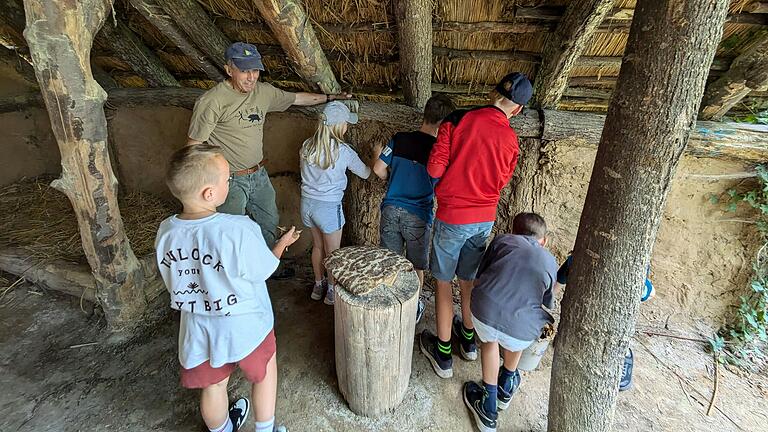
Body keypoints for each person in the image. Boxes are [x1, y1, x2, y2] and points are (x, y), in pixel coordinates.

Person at [155, 144, 300, 432]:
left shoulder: (166, 231)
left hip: (200, 326)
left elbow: (174, 278)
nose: (229, 182)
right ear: (209, 193)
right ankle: (265, 428)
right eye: (227, 179)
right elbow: (264, 270)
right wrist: (281, 246)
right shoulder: (238, 228)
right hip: (246, 324)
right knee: (264, 372)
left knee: (213, 385)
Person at [187, 41, 351, 280]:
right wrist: (200, 187)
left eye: (255, 70)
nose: (251, 77)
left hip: (258, 174)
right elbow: (193, 147)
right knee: (231, 229)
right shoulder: (212, 101)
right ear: (228, 69)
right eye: (244, 70)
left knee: (269, 220)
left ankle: (266, 266)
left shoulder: (263, 92)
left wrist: (329, 97)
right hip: (228, 179)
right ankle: (234, 279)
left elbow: (296, 98)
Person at [419, 73, 534, 378]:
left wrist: (448, 186)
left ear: (493, 92)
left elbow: (434, 167)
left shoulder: (456, 121)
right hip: (484, 218)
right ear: (518, 109)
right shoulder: (511, 140)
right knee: (468, 281)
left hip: (452, 216)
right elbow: (503, 180)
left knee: (442, 282)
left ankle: (443, 355)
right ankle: (468, 343)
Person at [461, 213, 557, 432]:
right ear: (544, 240)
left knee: (490, 342)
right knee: (524, 320)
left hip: (484, 312)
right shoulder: (550, 260)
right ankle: (506, 384)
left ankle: (488, 405)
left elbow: (481, 274)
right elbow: (547, 301)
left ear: (513, 231)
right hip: (520, 331)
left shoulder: (502, 241)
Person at [372, 94, 456, 323]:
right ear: (444, 124)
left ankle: (389, 304)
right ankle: (414, 306)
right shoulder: (439, 152)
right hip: (419, 215)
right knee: (416, 265)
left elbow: (378, 168)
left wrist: (394, 179)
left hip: (390, 210)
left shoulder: (399, 139)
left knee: (391, 261)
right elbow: (442, 185)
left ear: (425, 114)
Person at [300, 101, 371, 305]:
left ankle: (317, 284)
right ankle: (331, 291)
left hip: (307, 205)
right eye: (346, 123)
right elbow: (365, 173)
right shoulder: (343, 151)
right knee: (334, 254)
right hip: (329, 208)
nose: (348, 126)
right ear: (338, 125)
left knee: (317, 246)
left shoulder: (306, 146)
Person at [555, 254, 655, 392]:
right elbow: (649, 293)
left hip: (586, 319)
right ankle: (623, 353)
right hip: (603, 323)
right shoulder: (635, 271)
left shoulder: (577, 259)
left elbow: (556, 286)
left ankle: (624, 353)